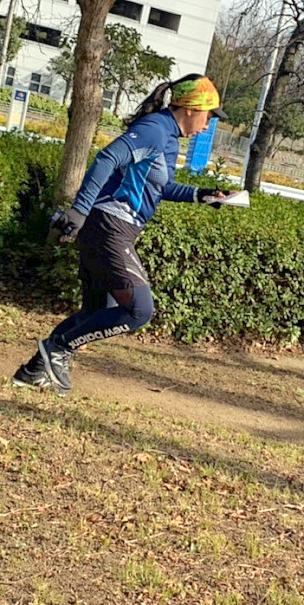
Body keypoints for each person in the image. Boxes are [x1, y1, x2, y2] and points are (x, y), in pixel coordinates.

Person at [13, 73, 229, 395]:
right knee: (140, 311)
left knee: (96, 311)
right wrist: (80, 210)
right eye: (209, 116)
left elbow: (161, 187)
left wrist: (202, 195)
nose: (208, 124)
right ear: (191, 108)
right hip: (109, 227)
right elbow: (108, 157)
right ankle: (57, 348)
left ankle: (33, 371)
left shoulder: (168, 137)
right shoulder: (155, 129)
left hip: (108, 227)